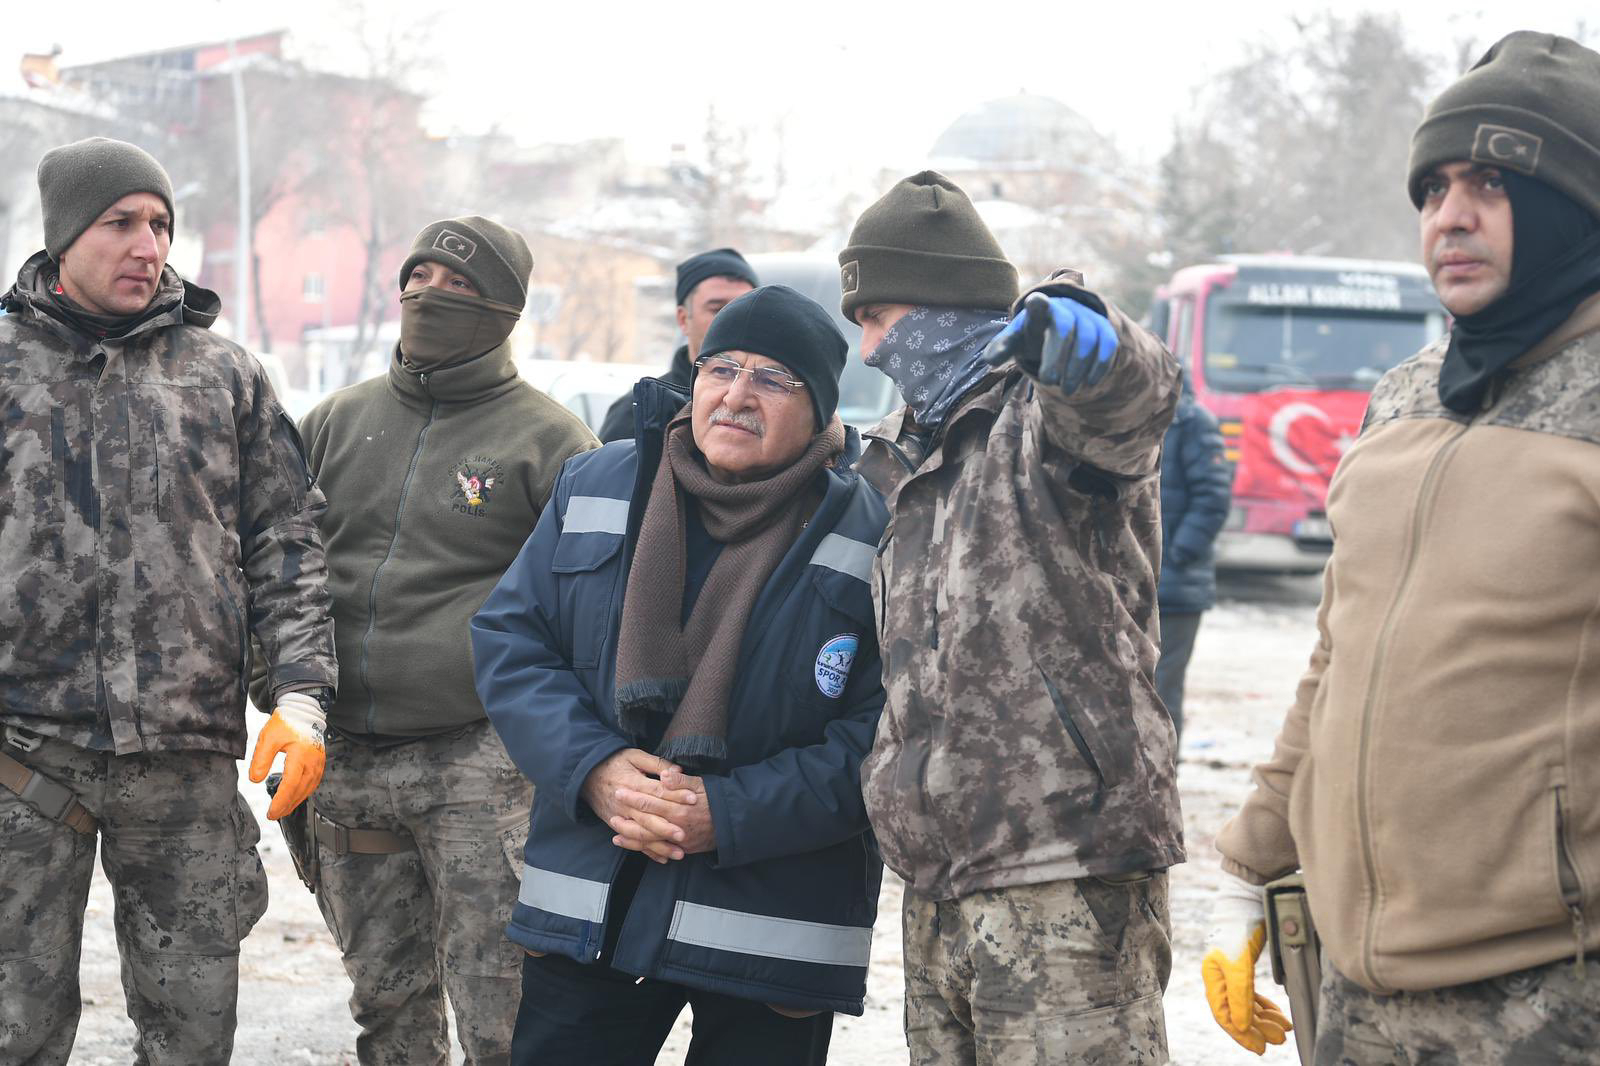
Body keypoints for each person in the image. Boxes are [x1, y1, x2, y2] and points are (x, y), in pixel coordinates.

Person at [1204, 31, 1600, 1063]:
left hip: (1549, 1001)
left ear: (1575, 206)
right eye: (1432, 188)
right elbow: (1340, 655)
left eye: (1492, 182)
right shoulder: (1405, 397)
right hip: (1355, 993)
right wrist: (1251, 866)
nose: (1449, 216)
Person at [472, 284, 888, 1065]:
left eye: (772, 378)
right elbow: (512, 641)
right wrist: (593, 769)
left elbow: (886, 732)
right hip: (594, 900)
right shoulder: (599, 483)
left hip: (771, 929)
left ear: (820, 408)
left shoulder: (875, 529)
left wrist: (726, 813)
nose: (736, 395)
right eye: (720, 368)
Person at [0, 137, 337, 1064]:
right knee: (13, 1029)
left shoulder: (222, 375)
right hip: (23, 753)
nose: (147, 246)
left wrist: (302, 698)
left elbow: (286, 544)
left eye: (161, 224)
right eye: (120, 223)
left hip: (184, 759)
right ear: (65, 234)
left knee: (191, 1032)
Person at [843, 170, 1184, 1063]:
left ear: (940, 306)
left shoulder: (1044, 416)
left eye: (877, 318)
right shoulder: (905, 450)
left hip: (1066, 871)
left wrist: (1087, 337)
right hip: (938, 881)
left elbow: (1133, 395)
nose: (869, 348)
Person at [266, 216, 599, 1065]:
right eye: (419, 277)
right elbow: (279, 568)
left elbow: (589, 614)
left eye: (457, 285)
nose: (429, 295)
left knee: (502, 1012)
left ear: (503, 310)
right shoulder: (334, 421)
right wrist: (284, 695)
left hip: (481, 765)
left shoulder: (553, 442)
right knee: (386, 1005)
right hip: (346, 760)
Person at [596, 247, 757, 442]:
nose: (732, 321)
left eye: (743, 310)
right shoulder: (641, 412)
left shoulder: (772, 402)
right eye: (717, 309)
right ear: (683, 319)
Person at [1155, 390, 1233, 741]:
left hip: (1176, 588)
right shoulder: (1121, 412)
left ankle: (1163, 771)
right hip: (1131, 584)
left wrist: (1177, 554)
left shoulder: (1191, 421)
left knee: (1162, 693)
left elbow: (1214, 497)